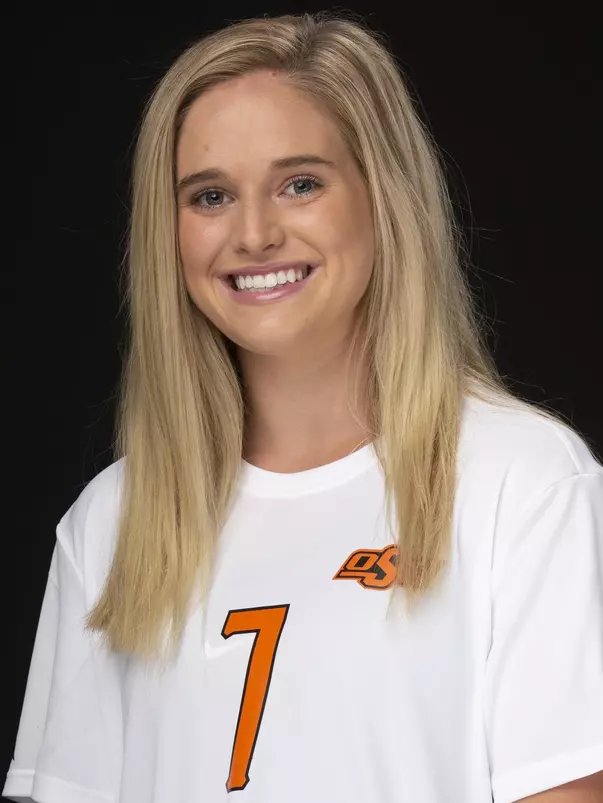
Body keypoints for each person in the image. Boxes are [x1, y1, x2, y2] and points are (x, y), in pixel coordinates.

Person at [4, 11, 602, 803]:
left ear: (381, 197)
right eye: (210, 195)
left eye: (300, 183)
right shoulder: (111, 521)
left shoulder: (520, 482)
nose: (253, 234)